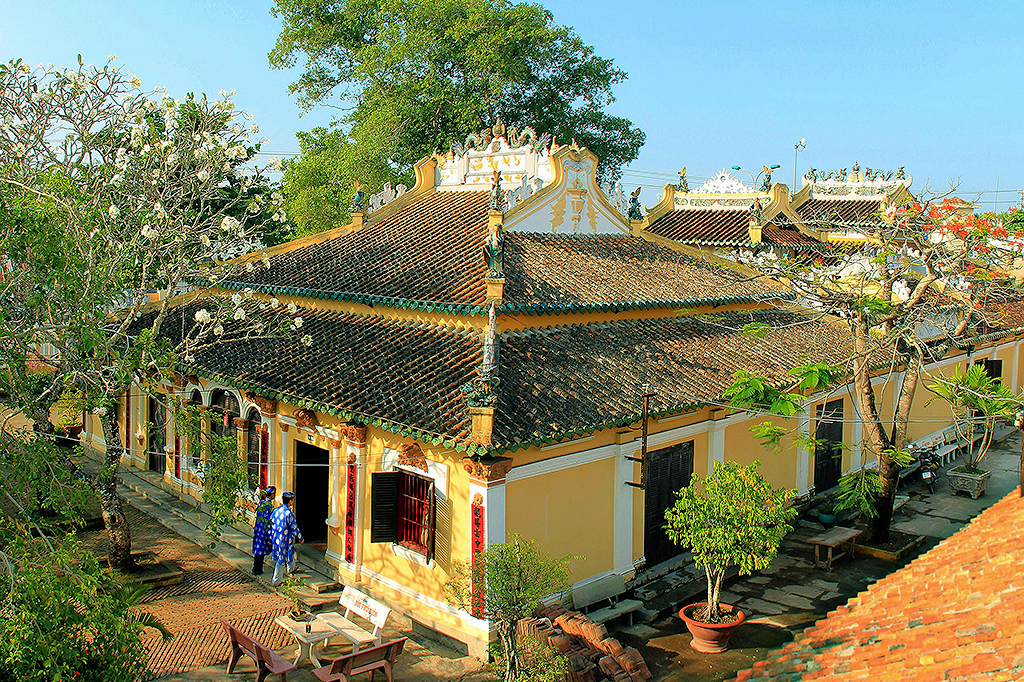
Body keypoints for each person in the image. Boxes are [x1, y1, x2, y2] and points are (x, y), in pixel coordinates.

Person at [270, 491, 303, 586]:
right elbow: (294, 527)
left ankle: (291, 568)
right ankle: (276, 580)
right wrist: (300, 538)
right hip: (284, 539)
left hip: (276, 537)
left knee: (290, 551)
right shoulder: (288, 513)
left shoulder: (276, 510)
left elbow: (271, 523)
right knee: (281, 559)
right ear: (291, 501)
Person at [251, 486, 276, 576]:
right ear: (272, 494)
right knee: (260, 551)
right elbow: (268, 522)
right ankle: (257, 569)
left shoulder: (261, 503)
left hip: (258, 530)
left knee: (258, 550)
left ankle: (256, 568)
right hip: (263, 531)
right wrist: (270, 537)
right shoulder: (268, 506)